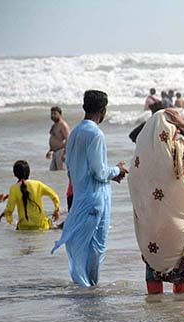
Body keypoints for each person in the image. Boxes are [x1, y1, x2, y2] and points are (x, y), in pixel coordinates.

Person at [127, 109, 184, 294]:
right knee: (181, 259)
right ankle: (181, 305)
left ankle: (155, 306)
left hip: (151, 220)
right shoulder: (178, 149)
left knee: (153, 257)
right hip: (178, 218)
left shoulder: (139, 160)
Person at [51, 90, 128, 287]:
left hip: (80, 197)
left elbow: (74, 169)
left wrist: (111, 174)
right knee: (96, 246)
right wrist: (117, 170)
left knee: (81, 245)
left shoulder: (75, 132)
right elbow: (99, 172)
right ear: (102, 110)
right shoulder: (95, 134)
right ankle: (90, 290)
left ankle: (84, 287)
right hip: (95, 199)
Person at [2, 160, 60, 230]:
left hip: (23, 227)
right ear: (29, 172)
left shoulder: (13, 189)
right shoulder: (38, 184)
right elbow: (54, 196)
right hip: (41, 226)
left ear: (15, 174)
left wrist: (11, 222)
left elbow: (9, 210)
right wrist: (56, 210)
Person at [47, 106, 70, 171]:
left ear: (60, 114)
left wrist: (65, 153)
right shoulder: (54, 125)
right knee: (52, 172)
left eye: (55, 114)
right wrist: (50, 150)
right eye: (51, 114)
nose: (52, 115)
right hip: (54, 152)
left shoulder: (63, 125)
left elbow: (68, 138)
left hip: (61, 152)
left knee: (61, 172)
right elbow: (55, 138)